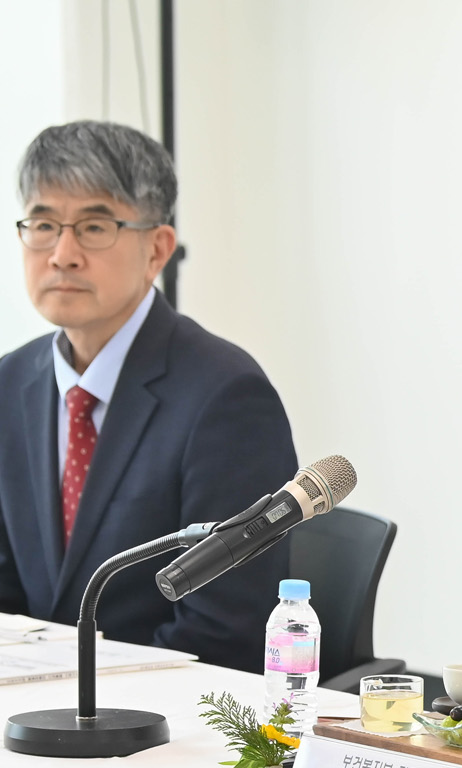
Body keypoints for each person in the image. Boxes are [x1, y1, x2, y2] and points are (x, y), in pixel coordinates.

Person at [0, 121, 297, 672]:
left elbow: (220, 634)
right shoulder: (9, 382)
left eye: (94, 226)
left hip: (159, 711)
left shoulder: (227, 397)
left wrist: (84, 702)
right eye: (43, 224)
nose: (62, 254)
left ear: (157, 249)